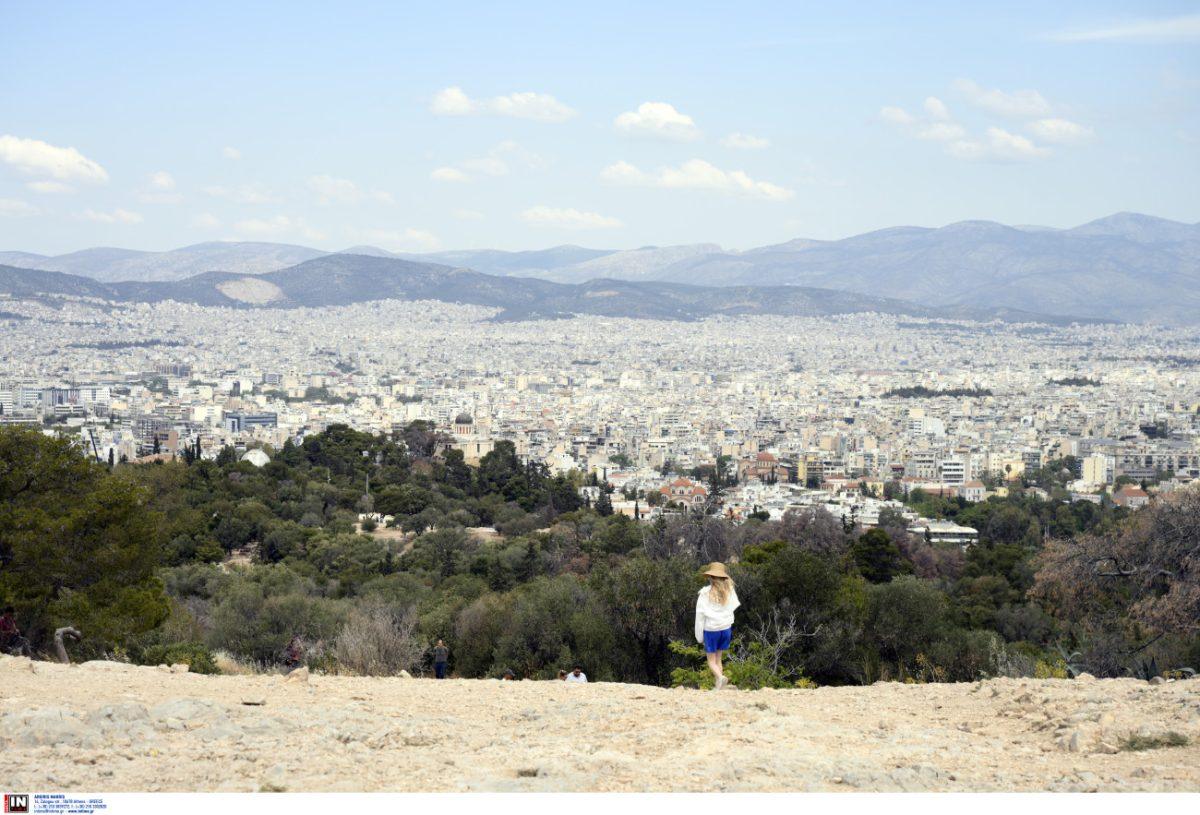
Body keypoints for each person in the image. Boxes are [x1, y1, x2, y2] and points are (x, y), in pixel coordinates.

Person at [695, 562, 739, 690]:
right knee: (718, 659)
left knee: (711, 661)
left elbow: (700, 616)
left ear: (711, 577)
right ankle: (719, 686)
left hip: (711, 630)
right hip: (725, 629)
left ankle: (720, 678)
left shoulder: (704, 593)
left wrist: (699, 636)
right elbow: (733, 609)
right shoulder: (730, 591)